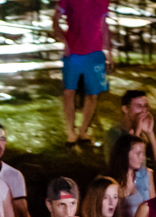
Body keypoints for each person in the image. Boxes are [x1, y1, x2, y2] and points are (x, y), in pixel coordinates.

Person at [53, 0, 112, 144]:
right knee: (69, 92)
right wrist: (64, 41)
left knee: (92, 94)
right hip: (73, 53)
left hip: (95, 53)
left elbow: (104, 24)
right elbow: (55, 19)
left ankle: (83, 131)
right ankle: (71, 132)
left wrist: (108, 51)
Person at [104, 90, 156, 167]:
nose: (143, 110)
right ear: (125, 109)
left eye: (145, 106)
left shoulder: (144, 133)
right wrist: (137, 133)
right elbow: (124, 164)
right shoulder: (113, 133)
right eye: (139, 106)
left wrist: (150, 133)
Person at [109, 135, 154, 217]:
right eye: (138, 153)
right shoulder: (113, 179)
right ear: (125, 154)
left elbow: (154, 206)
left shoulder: (146, 174)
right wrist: (126, 191)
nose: (142, 157)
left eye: (143, 153)